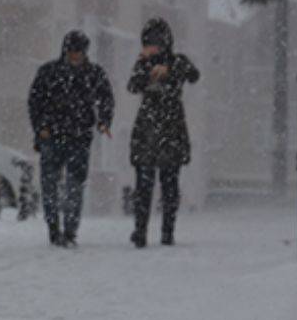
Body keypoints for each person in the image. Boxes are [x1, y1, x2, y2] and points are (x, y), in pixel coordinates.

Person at [27, 30, 114, 247]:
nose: (76, 56)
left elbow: (106, 98)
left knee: (74, 186)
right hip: (52, 136)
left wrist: (104, 121)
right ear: (65, 51)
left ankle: (70, 231)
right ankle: (54, 228)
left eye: (79, 52)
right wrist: (40, 128)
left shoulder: (93, 74)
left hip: (79, 138)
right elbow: (34, 102)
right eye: (73, 52)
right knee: (50, 185)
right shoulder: (49, 73)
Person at [127, 18, 200, 248]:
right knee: (144, 184)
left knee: (169, 183)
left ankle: (167, 231)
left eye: (156, 43)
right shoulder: (142, 64)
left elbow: (193, 74)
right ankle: (140, 230)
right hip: (148, 129)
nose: (152, 48)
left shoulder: (178, 61)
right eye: (148, 43)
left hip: (170, 127)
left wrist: (169, 70)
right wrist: (148, 70)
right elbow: (132, 86)